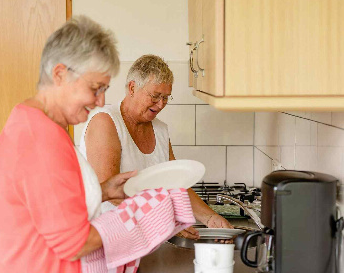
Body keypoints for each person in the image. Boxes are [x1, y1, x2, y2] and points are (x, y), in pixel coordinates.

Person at [0, 16, 192, 273]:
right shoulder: (42, 139)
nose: (100, 100)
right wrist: (144, 215)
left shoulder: (29, 119)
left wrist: (102, 191)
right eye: (95, 88)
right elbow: (75, 243)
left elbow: (47, 205)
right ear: (60, 75)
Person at [80, 55, 233, 242]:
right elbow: (110, 193)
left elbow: (176, 184)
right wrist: (163, 222)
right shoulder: (106, 122)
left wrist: (210, 218)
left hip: (144, 238)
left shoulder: (160, 130)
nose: (160, 104)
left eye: (166, 98)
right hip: (108, 240)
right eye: (155, 96)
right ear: (132, 88)